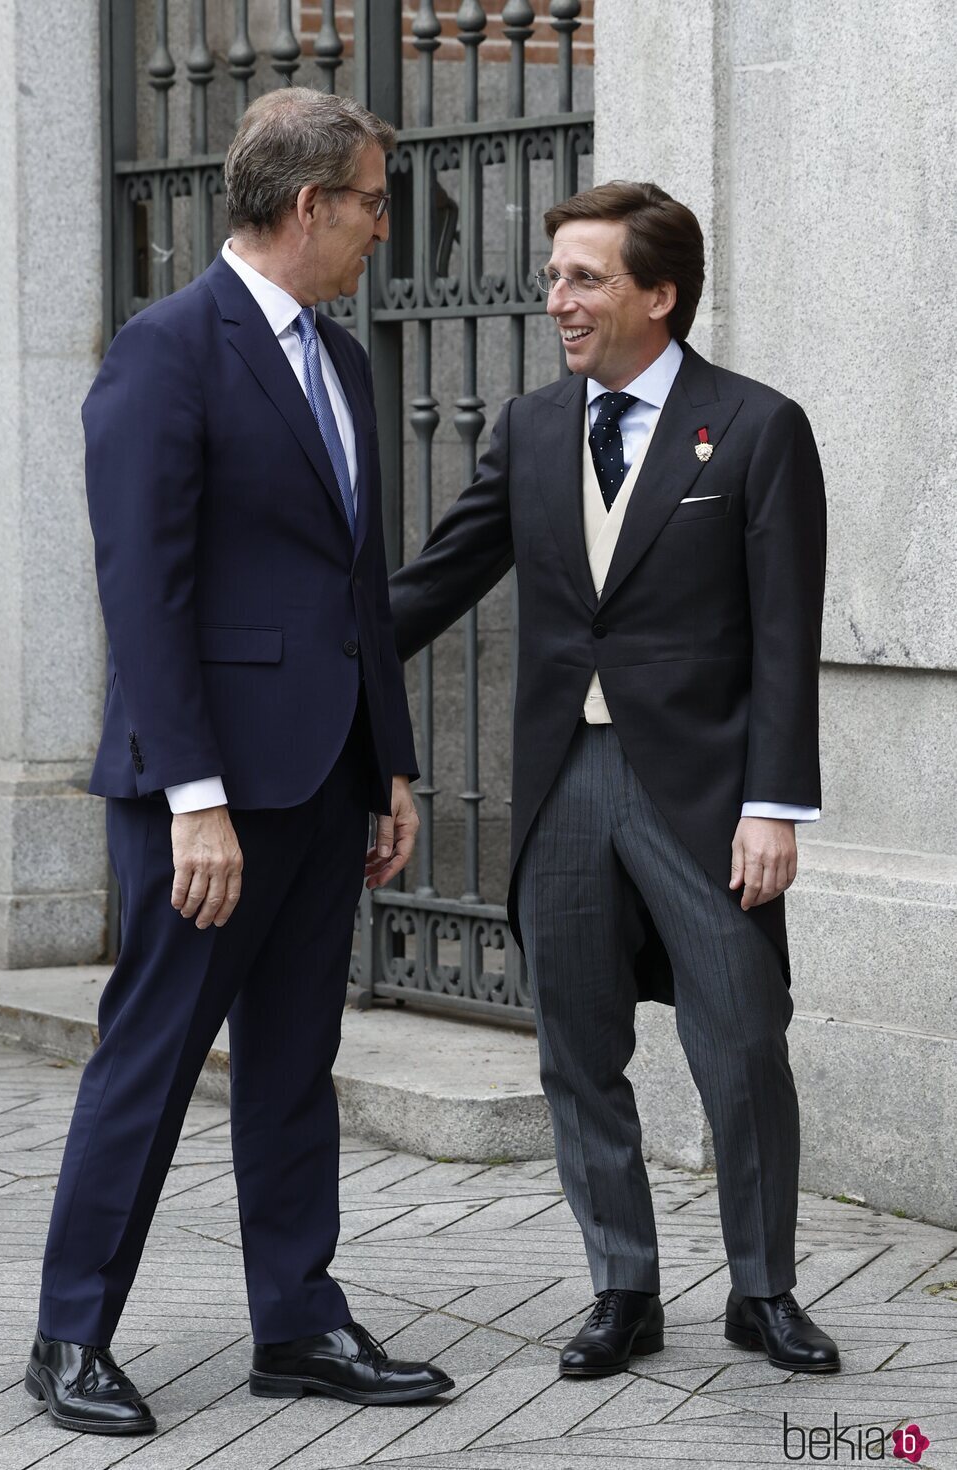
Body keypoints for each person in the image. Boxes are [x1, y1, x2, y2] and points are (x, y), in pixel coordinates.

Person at [26, 87, 453, 1436]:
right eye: (376, 201)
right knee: (148, 1062)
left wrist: (389, 761)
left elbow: (354, 578)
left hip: (326, 783)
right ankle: (69, 1334)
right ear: (310, 201)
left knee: (293, 1062)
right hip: (205, 799)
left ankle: (300, 1322)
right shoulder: (166, 351)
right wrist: (191, 798)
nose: (388, 227)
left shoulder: (346, 359)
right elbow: (141, 595)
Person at [389, 181, 839, 1378]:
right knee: (575, 1050)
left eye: (584, 278)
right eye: (554, 278)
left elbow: (784, 635)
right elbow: (432, 584)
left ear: (659, 293)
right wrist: (298, 670)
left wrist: (772, 805)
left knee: (741, 1040)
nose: (558, 300)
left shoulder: (751, 428)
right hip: (562, 784)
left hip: (702, 789)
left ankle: (763, 1289)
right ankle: (621, 1287)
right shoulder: (534, 429)